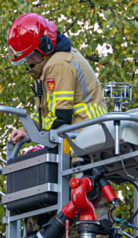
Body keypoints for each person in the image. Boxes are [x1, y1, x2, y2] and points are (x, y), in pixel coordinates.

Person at [6, 13, 108, 145]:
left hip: (84, 137)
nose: (29, 61)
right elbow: (46, 113)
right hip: (84, 135)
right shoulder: (50, 63)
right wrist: (26, 129)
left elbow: (60, 116)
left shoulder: (57, 64)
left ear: (43, 45)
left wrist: (33, 134)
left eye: (30, 54)